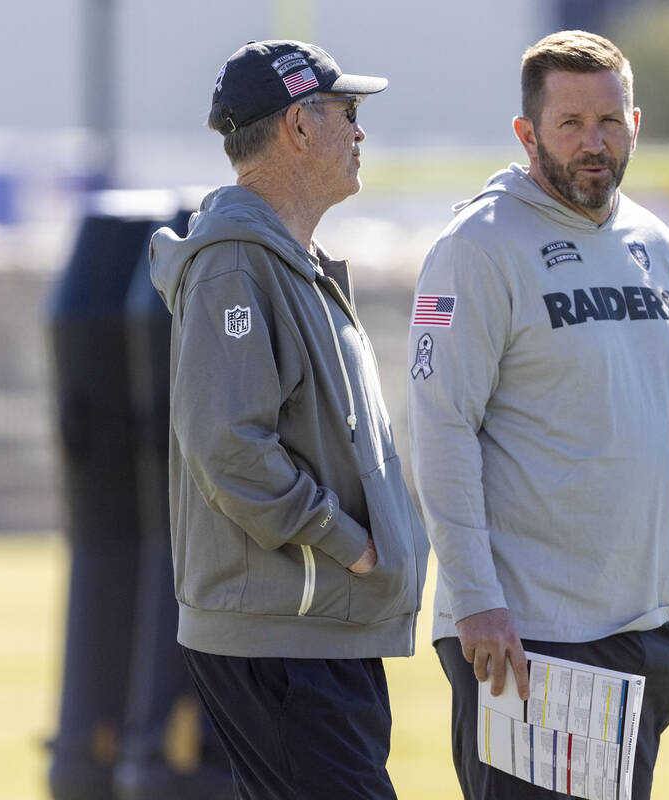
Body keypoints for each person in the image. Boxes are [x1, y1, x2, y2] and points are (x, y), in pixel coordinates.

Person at [407, 30, 669, 799]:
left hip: (641, 631)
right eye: (570, 124)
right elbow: (439, 429)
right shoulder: (478, 246)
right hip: (528, 636)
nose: (592, 143)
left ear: (635, 125)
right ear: (527, 133)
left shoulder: (657, 246)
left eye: (609, 121)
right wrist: (476, 600)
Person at [149, 40, 429, 800]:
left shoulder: (283, 260)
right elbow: (229, 448)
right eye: (347, 112)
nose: (360, 132)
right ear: (298, 128)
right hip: (287, 632)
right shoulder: (234, 266)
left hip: (312, 623)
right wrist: (354, 547)